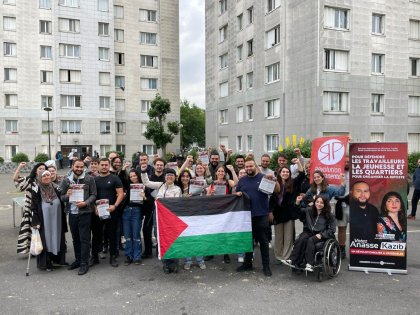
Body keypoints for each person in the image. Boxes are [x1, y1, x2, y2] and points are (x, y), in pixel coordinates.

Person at [236, 158, 274, 277]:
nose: (248, 168)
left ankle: (266, 266)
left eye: (251, 166)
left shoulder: (264, 177)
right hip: (246, 216)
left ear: (255, 166)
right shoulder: (241, 181)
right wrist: (237, 194)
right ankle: (247, 264)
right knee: (248, 241)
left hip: (261, 215)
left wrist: (274, 181)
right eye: (246, 167)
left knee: (263, 241)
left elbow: (274, 192)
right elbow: (237, 195)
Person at [141, 167, 182, 273]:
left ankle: (175, 263)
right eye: (167, 175)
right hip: (159, 218)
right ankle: (166, 264)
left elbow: (176, 204)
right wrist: (144, 171)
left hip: (171, 219)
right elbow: (146, 182)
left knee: (172, 241)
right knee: (161, 240)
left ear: (175, 177)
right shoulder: (160, 185)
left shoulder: (177, 189)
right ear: (165, 177)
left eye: (171, 175)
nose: (169, 177)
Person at [60, 159, 97, 275]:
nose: (79, 169)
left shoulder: (89, 178)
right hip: (72, 213)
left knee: (84, 239)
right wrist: (67, 195)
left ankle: (84, 263)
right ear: (72, 166)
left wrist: (86, 203)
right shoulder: (66, 180)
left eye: (81, 167)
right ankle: (78, 260)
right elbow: (61, 197)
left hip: (85, 213)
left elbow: (94, 194)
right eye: (77, 167)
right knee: (75, 238)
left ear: (84, 168)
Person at [283, 195, 336, 272]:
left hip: (321, 235)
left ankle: (310, 264)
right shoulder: (309, 211)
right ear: (314, 203)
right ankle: (292, 260)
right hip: (309, 231)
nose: (319, 204)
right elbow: (297, 212)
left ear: (325, 204)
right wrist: (297, 203)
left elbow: (332, 229)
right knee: (301, 239)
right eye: (317, 202)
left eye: (321, 203)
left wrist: (322, 235)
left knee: (310, 240)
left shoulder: (329, 216)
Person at [269, 158, 304, 262]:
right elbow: (271, 198)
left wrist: (298, 162)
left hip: (289, 213)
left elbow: (302, 175)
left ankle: (286, 256)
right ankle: (278, 256)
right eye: (283, 171)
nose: (285, 173)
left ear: (289, 173)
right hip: (277, 213)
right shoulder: (274, 183)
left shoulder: (293, 182)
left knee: (288, 237)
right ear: (279, 173)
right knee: (279, 236)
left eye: (287, 171)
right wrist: (270, 211)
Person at [91, 158, 124, 267]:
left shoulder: (115, 179)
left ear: (109, 165)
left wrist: (115, 206)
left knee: (112, 235)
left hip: (111, 211)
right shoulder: (94, 179)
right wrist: (94, 207)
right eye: (102, 165)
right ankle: (94, 257)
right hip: (97, 212)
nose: (104, 166)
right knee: (96, 235)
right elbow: (90, 195)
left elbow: (120, 194)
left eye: (106, 165)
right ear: (98, 166)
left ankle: (113, 257)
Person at [31, 171, 67, 271]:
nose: (47, 177)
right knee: (46, 238)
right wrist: (35, 221)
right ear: (39, 178)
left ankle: (57, 259)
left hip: (57, 218)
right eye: (44, 176)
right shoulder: (37, 189)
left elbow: (63, 197)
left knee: (57, 236)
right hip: (44, 219)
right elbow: (33, 205)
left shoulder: (56, 187)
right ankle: (46, 262)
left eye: (48, 175)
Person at [13, 162, 46, 254]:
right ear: (35, 171)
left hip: (43, 209)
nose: (42, 170)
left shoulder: (46, 179)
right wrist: (19, 167)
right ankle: (32, 249)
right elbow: (16, 179)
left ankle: (41, 248)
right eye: (40, 168)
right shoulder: (30, 180)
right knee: (29, 230)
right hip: (30, 209)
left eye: (44, 168)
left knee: (42, 230)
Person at [177, 170, 207, 270]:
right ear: (180, 178)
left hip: (196, 216)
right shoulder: (178, 188)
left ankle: (200, 260)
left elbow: (208, 183)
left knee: (198, 238)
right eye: (183, 176)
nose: (185, 178)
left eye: (187, 176)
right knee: (186, 240)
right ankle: (188, 261)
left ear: (190, 178)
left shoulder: (195, 186)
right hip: (183, 217)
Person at [141, 157, 166, 259]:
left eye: (161, 165)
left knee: (161, 231)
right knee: (146, 229)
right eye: (158, 165)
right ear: (154, 166)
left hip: (163, 210)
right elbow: (145, 186)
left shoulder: (166, 178)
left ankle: (161, 250)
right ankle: (148, 251)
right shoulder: (149, 177)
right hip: (149, 207)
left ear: (164, 167)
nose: (159, 166)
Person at [123, 169, 146, 265]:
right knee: (127, 235)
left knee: (136, 235)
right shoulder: (127, 186)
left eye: (134, 175)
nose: (133, 178)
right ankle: (129, 256)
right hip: (126, 211)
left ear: (138, 176)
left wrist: (144, 197)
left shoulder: (143, 186)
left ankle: (137, 256)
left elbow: (148, 201)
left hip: (137, 211)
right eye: (131, 176)